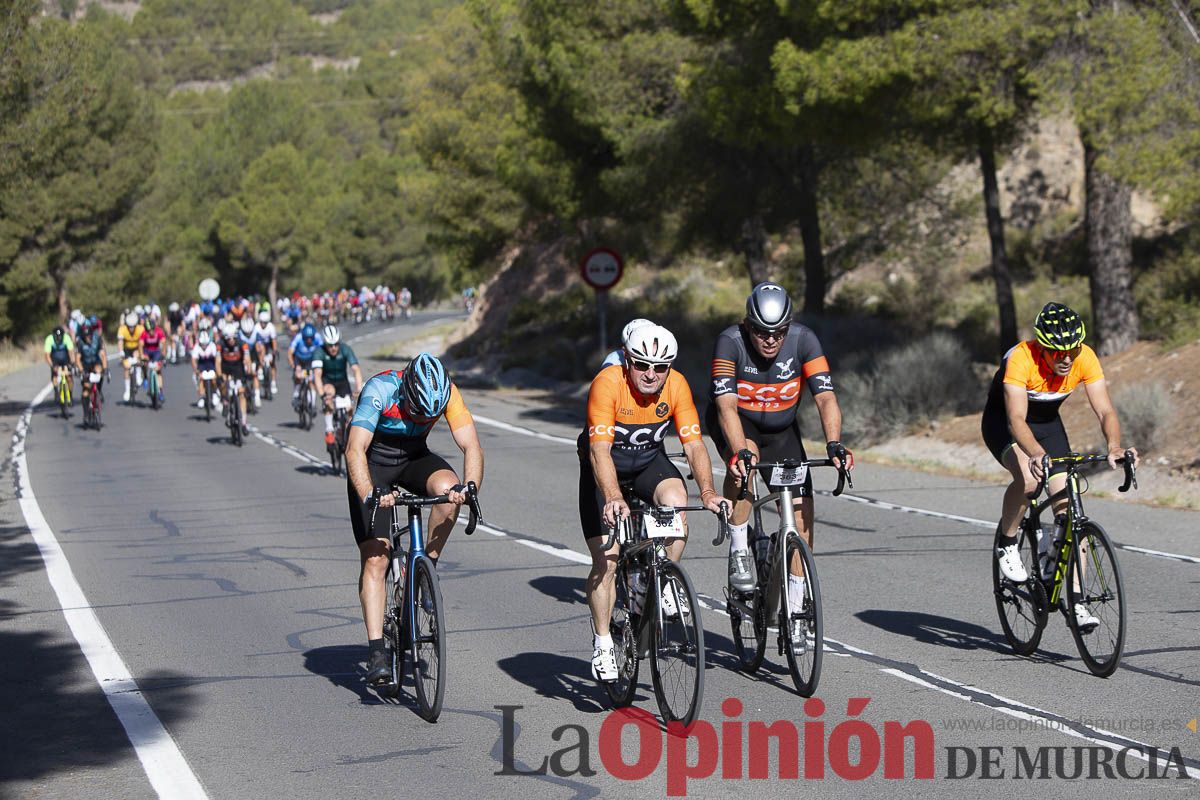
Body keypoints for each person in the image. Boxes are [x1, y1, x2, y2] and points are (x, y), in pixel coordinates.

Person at [707, 281, 850, 653]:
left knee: (802, 511)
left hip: (783, 429)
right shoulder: (729, 342)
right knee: (746, 466)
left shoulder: (805, 340)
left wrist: (834, 443)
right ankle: (740, 547)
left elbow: (826, 397)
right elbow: (725, 407)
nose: (770, 340)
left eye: (778, 332)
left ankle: (798, 601)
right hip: (739, 423)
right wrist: (739, 451)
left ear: (789, 326)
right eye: (761, 331)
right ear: (747, 323)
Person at [581, 323, 726, 682]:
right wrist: (613, 497)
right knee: (607, 561)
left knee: (677, 503)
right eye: (642, 365)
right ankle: (602, 643)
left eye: (660, 367)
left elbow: (693, 445)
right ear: (628, 360)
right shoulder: (609, 383)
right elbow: (600, 449)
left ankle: (660, 581)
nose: (651, 374)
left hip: (647, 463)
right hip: (604, 470)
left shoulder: (676, 385)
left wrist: (707, 490)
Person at [981, 301, 1138, 632]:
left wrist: (1113, 446)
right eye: (1057, 352)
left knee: (1070, 515)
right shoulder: (1021, 358)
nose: (1066, 358)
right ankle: (1008, 543)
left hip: (1049, 425)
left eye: (1072, 350)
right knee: (1026, 478)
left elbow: (1105, 410)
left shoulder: (1085, 357)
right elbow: (1016, 418)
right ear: (1042, 346)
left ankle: (1078, 601)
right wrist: (1035, 453)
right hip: (1007, 424)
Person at [345, 353, 485, 685]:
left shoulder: (447, 391)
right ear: (406, 390)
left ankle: (425, 568)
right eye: (419, 411)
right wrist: (370, 493)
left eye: (430, 414)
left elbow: (472, 446)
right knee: (376, 559)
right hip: (374, 464)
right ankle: (378, 649)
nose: (424, 417)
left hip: (413, 458)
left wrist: (470, 488)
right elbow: (354, 450)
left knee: (449, 494)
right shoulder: (379, 389)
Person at [312, 324, 363, 446]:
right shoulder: (319, 352)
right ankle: (329, 429)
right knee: (329, 395)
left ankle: (348, 435)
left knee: (349, 409)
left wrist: (358, 389)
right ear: (325, 344)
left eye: (336, 344)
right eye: (330, 345)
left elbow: (356, 369)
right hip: (327, 382)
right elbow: (317, 375)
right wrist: (322, 395)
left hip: (342, 382)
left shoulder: (345, 349)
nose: (334, 348)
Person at [216, 327, 250, 434]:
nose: (231, 341)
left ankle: (244, 422)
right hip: (225, 366)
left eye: (233, 338)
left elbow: (247, 358)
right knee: (223, 383)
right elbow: (217, 361)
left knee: (241, 393)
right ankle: (225, 401)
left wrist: (248, 368)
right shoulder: (220, 344)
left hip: (238, 367)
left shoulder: (242, 343)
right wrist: (220, 375)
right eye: (228, 339)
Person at [288, 323, 323, 409]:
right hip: (299, 360)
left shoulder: (318, 337)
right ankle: (296, 394)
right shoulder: (298, 338)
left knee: (311, 380)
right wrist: (293, 365)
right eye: (307, 338)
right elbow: (290, 352)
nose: (309, 340)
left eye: (311, 338)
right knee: (298, 376)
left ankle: (312, 402)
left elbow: (323, 351)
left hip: (311, 360)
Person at [75, 321, 107, 409]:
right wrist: (82, 371)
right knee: (86, 390)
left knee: (99, 371)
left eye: (89, 336)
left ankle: (99, 391)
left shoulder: (97, 339)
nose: (88, 338)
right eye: (86, 337)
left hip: (95, 362)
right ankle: (85, 413)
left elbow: (103, 354)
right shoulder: (80, 343)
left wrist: (105, 368)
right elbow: (77, 359)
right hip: (85, 365)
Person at [140, 314, 168, 405]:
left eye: (151, 330)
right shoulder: (144, 334)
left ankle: (160, 391)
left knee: (158, 370)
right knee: (143, 364)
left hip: (156, 351)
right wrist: (141, 355)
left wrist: (163, 355)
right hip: (147, 351)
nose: (150, 332)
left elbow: (164, 343)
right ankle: (145, 377)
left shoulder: (159, 331)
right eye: (148, 331)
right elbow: (140, 345)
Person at [117, 312, 144, 403]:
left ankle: (138, 375)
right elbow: (120, 342)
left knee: (138, 357)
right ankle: (127, 390)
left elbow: (142, 343)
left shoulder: (140, 329)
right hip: (127, 349)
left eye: (133, 326)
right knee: (127, 367)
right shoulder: (122, 329)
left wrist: (141, 354)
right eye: (129, 326)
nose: (131, 329)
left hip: (137, 348)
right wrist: (121, 353)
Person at [44, 326, 75, 403]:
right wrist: (52, 365)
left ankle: (70, 394)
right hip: (54, 358)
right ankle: (56, 391)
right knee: (54, 374)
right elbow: (47, 355)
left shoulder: (66, 338)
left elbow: (71, 352)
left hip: (65, 358)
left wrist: (72, 363)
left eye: (60, 336)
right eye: (56, 336)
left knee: (69, 377)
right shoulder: (49, 339)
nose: (58, 338)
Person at [191, 329, 220, 410]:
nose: (204, 346)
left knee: (214, 378)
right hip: (201, 364)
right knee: (200, 378)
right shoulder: (196, 347)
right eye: (202, 344)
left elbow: (217, 358)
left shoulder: (212, 346)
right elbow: (193, 360)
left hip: (211, 364)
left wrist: (217, 370)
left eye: (205, 344)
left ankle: (214, 392)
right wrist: (196, 370)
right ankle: (202, 396)